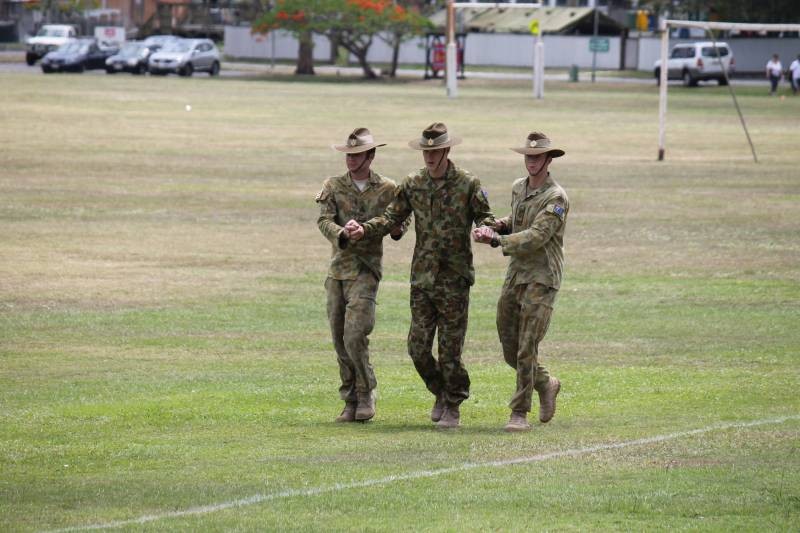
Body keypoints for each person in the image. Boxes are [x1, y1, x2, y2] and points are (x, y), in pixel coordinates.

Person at [347, 123, 495, 429]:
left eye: (435, 151)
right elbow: (392, 217)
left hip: (454, 278)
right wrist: (365, 229)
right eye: (426, 151)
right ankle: (440, 390)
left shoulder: (468, 183)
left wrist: (486, 229)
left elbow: (486, 216)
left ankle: (453, 403)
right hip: (423, 279)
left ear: (447, 150)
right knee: (417, 347)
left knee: (450, 350)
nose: (429, 156)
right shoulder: (413, 183)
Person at [472, 132, 567, 432]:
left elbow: (537, 235)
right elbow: (517, 220)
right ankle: (545, 383)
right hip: (516, 275)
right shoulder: (518, 188)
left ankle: (519, 413)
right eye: (528, 156)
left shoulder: (556, 197)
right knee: (509, 344)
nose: (531, 161)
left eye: (537, 157)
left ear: (548, 159)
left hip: (542, 277)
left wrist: (498, 239)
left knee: (527, 345)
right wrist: (492, 226)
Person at [316, 127, 407, 423]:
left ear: (371, 156)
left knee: (356, 333)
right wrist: (342, 232)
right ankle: (350, 398)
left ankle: (366, 390)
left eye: (357, 156)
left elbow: (401, 221)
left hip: (366, 271)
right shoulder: (333, 185)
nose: (351, 161)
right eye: (348, 155)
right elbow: (324, 219)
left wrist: (386, 229)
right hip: (338, 270)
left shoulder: (388, 188)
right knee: (339, 337)